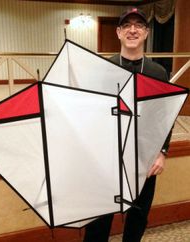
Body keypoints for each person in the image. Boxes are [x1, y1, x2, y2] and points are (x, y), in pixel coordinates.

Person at [83, 7, 171, 242]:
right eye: (127, 26)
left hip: (144, 155)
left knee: (138, 217)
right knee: (98, 218)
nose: (133, 30)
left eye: (139, 25)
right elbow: (90, 116)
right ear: (119, 33)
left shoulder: (158, 72)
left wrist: (162, 152)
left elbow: (164, 116)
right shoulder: (102, 70)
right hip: (106, 155)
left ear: (146, 33)